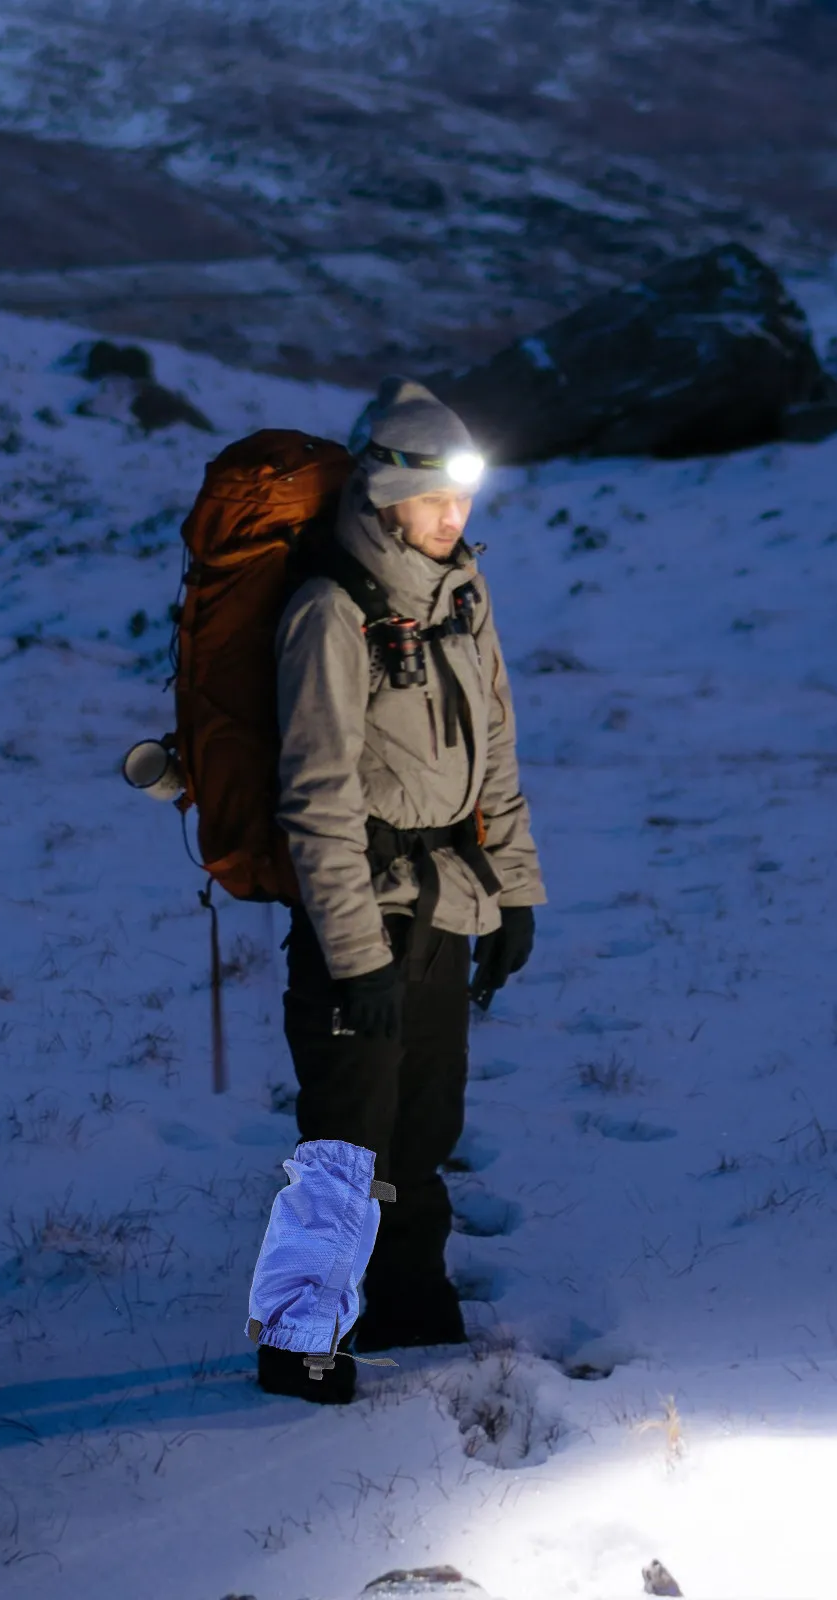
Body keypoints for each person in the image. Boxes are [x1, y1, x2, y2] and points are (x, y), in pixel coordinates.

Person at [257, 377, 546, 1404]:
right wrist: (355, 957)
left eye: (463, 497)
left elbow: (496, 750)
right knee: (346, 1141)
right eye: (433, 498)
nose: (453, 516)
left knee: (423, 1129)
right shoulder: (330, 610)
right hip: (361, 914)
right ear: (385, 497)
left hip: (447, 902)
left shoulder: (462, 594)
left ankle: (412, 1309)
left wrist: (514, 894)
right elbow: (317, 798)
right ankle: (300, 1345)